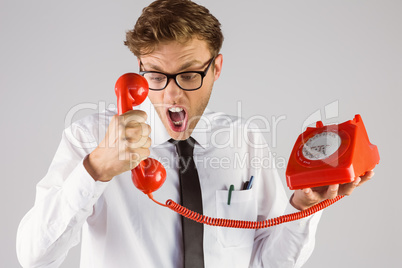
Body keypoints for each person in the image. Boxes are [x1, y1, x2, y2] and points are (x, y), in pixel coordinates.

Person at [16, 0, 374, 267]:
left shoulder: (245, 139)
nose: (172, 94)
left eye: (189, 75)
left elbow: (267, 262)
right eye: (155, 75)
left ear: (216, 68)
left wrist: (303, 208)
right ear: (138, 71)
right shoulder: (89, 137)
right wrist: (95, 170)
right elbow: (33, 255)